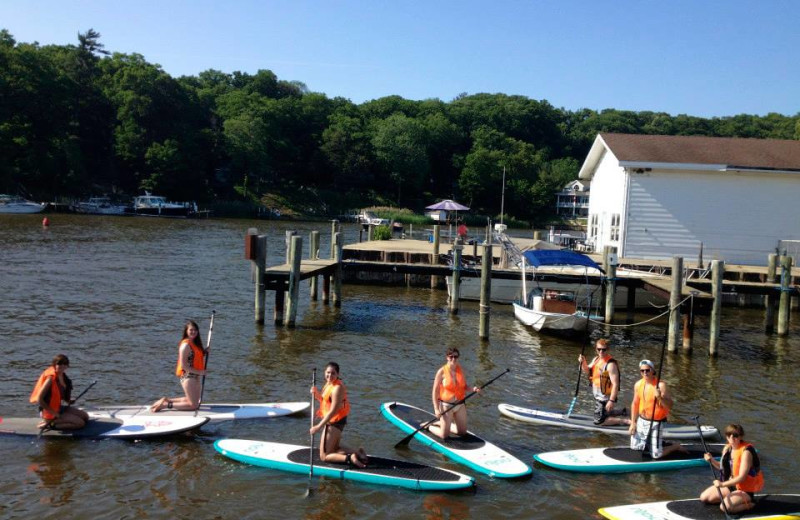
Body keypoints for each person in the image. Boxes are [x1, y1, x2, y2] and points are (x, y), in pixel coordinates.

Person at [309, 362, 368, 468]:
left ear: (338, 374)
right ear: (324, 372)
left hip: (334, 422)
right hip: (337, 420)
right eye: (328, 372)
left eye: (333, 373)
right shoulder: (329, 384)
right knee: (335, 448)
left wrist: (318, 427)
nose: (330, 375)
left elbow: (333, 410)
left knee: (324, 456)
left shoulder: (337, 388)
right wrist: (317, 394)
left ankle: (351, 458)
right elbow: (326, 402)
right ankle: (358, 452)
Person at [700, 424, 764, 514]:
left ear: (741, 436)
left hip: (744, 489)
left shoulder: (746, 452)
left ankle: (750, 504)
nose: (731, 438)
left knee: (724, 508)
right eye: (728, 435)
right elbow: (722, 468)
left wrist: (722, 484)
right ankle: (731, 499)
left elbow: (742, 477)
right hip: (731, 486)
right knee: (704, 497)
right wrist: (711, 460)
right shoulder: (727, 448)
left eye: (735, 435)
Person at [628, 359, 686, 458]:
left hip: (656, 422)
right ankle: (659, 442)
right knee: (635, 447)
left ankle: (675, 446)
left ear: (653, 370)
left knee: (656, 455)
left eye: (647, 370)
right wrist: (633, 422)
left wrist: (660, 397)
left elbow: (670, 405)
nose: (645, 373)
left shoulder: (660, 385)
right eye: (642, 371)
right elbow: (635, 403)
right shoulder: (638, 384)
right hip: (642, 420)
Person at [151, 320, 208, 412]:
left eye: (195, 330)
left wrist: (204, 352)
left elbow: (195, 357)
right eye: (191, 330)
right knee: (193, 406)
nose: (193, 332)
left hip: (196, 376)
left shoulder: (195, 344)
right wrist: (200, 372)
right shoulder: (185, 345)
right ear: (186, 331)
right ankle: (166, 405)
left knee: (195, 402)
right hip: (188, 376)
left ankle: (166, 400)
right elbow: (184, 366)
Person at [429, 348, 480, 440]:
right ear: (447, 357)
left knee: (462, 433)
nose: (453, 359)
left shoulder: (460, 369)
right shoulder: (441, 372)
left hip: (460, 405)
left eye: (455, 357)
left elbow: (464, 386)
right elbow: (435, 391)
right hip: (446, 406)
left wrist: (473, 389)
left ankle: (442, 423)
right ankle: (429, 426)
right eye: (451, 357)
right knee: (444, 436)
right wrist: (436, 409)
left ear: (458, 357)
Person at [30, 354, 89, 430]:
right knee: (80, 423)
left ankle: (58, 420)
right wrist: (55, 414)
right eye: (59, 364)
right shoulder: (50, 379)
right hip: (48, 412)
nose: (62, 366)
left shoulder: (63, 376)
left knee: (85, 417)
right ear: (54, 364)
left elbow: (59, 394)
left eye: (65, 364)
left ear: (67, 366)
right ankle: (50, 424)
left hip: (58, 407)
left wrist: (68, 401)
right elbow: (39, 399)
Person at [579, 339, 629, 426]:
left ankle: (625, 421)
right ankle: (623, 411)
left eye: (604, 349)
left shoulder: (610, 364)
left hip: (605, 397)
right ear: (596, 349)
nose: (601, 351)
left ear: (608, 349)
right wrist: (583, 362)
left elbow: (615, 384)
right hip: (598, 394)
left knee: (599, 422)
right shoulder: (596, 359)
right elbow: (587, 370)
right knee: (604, 411)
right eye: (599, 349)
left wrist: (611, 400)